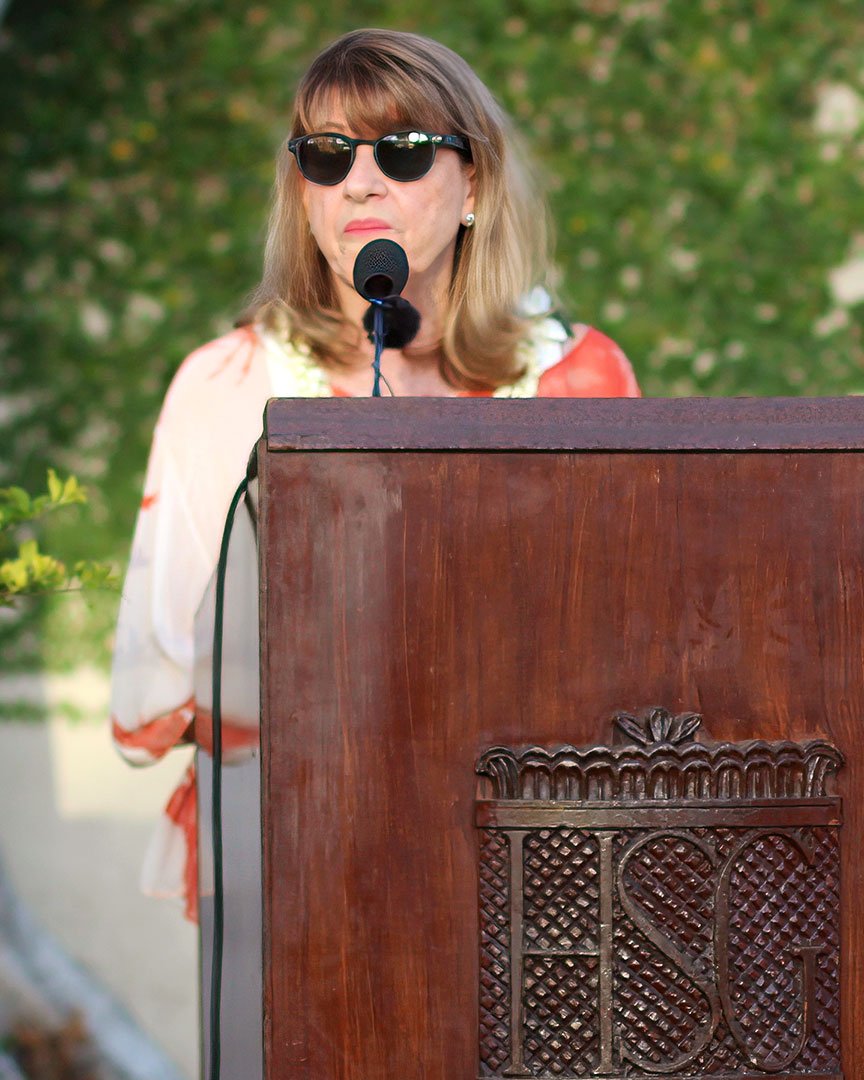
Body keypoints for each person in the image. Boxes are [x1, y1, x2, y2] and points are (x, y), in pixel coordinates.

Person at [110, 27, 640, 921]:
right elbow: (162, 683)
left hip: (542, 865)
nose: (359, 180)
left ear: (473, 181)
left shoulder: (578, 379)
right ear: (303, 193)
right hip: (306, 858)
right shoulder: (229, 387)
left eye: (400, 151)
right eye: (326, 155)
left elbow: (634, 644)